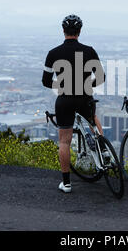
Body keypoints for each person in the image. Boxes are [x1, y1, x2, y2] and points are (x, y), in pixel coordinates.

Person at [42, 14, 105, 193]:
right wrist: (86, 85)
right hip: (84, 97)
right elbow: (101, 77)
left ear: (63, 31)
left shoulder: (53, 53)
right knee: (93, 118)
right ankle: (104, 150)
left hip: (65, 99)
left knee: (64, 141)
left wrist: (61, 86)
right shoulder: (89, 50)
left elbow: (46, 81)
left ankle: (67, 183)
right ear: (79, 31)